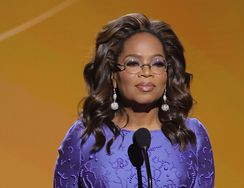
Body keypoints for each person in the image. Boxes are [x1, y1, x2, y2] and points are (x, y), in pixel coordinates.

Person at [53, 13, 215, 188]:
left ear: (168, 74)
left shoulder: (191, 135)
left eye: (158, 63)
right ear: (113, 74)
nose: (146, 72)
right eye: (133, 63)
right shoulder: (85, 136)